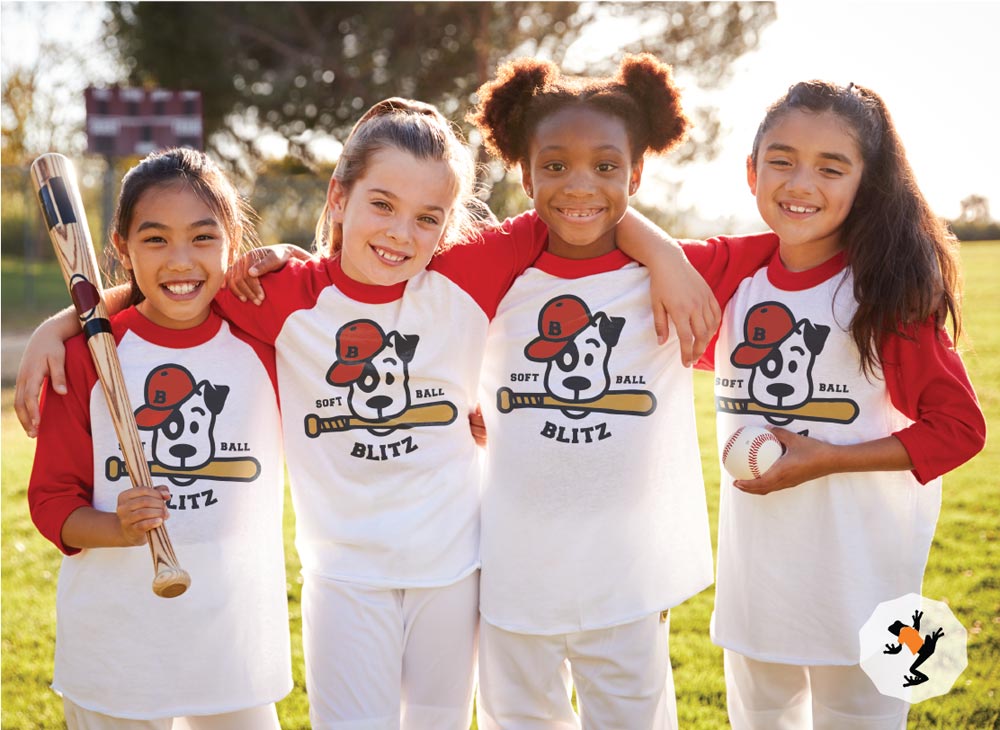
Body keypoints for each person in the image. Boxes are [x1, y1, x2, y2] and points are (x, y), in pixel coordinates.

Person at [15, 98, 717, 729]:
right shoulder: (282, 294)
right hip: (344, 578)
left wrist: (664, 253)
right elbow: (172, 288)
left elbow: (578, 202)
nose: (400, 233)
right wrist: (69, 323)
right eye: (381, 205)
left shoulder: (465, 273)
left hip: (454, 570)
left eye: (427, 217)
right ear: (339, 196)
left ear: (450, 222)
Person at [465, 54, 779, 729]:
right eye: (555, 166)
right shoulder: (493, 269)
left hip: (628, 579)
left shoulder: (685, 273)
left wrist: (662, 252)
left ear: (636, 172)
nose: (580, 185)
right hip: (513, 570)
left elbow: (808, 246)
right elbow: (384, 271)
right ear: (524, 173)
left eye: (606, 167)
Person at [704, 81, 986, 729]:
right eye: (782, 159)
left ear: (868, 183)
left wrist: (827, 457)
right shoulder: (734, 279)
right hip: (757, 592)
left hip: (867, 588)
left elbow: (960, 430)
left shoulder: (884, 294)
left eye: (832, 167)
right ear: (751, 172)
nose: (801, 181)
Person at [26, 148, 291, 729]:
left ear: (232, 244)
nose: (181, 261)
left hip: (232, 642)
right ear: (120, 249)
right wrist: (115, 528)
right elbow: (51, 503)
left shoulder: (265, 343)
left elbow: (337, 289)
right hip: (118, 652)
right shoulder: (86, 356)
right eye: (155, 240)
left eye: (202, 238)